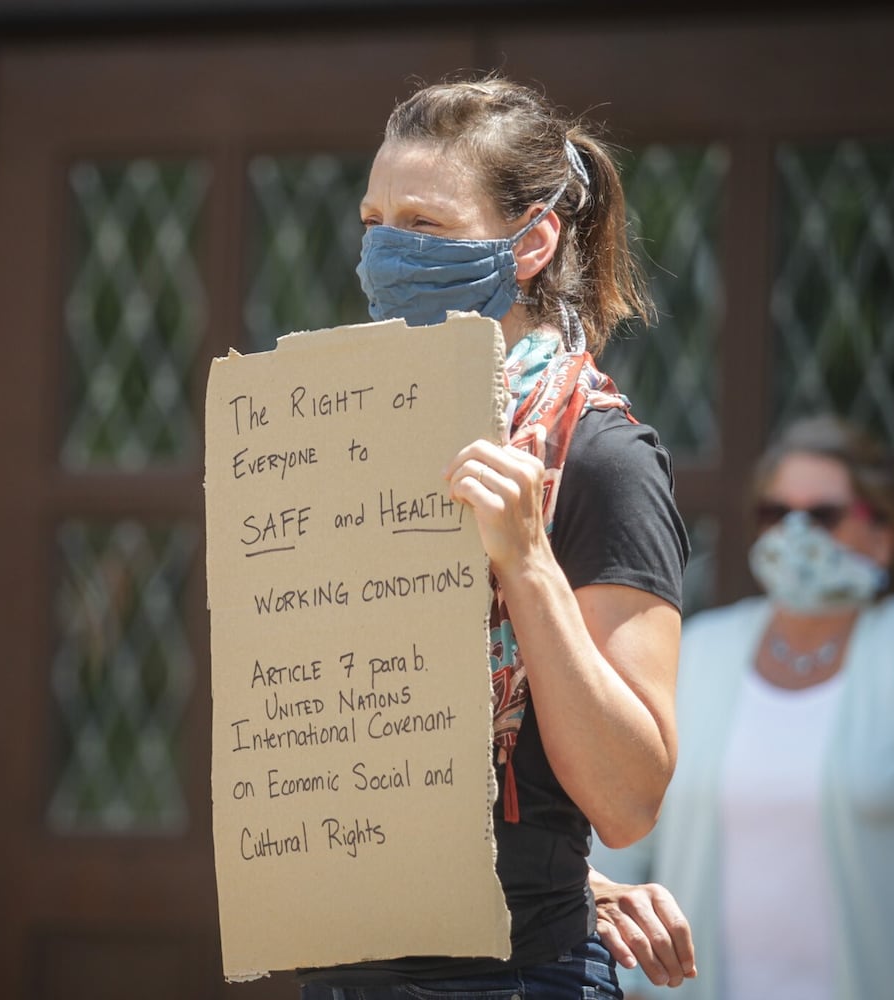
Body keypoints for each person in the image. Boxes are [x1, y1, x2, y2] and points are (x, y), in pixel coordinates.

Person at [297, 74, 696, 999]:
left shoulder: (601, 458)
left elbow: (630, 797)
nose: (389, 250)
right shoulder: (350, 440)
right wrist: (585, 881)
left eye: (427, 226)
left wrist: (526, 562)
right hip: (344, 969)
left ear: (532, 241)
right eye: (373, 220)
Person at [592, 414, 894, 1000]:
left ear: (884, 531)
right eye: (775, 514)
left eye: (822, 515)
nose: (795, 534)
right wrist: (628, 970)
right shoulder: (699, 651)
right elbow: (625, 828)